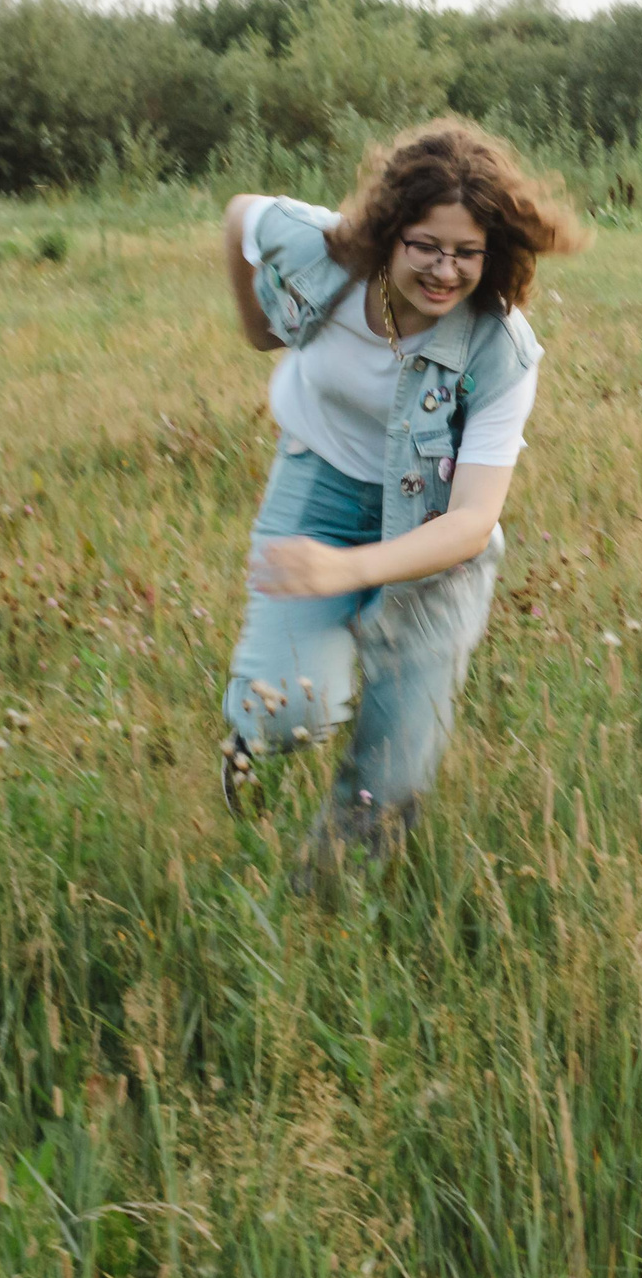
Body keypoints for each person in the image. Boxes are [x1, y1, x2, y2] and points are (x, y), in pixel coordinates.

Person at [217, 120, 585, 889]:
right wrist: (258, 328)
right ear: (388, 231)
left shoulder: (502, 347)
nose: (445, 270)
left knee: (390, 775)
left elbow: (472, 520)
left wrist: (349, 569)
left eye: (467, 251)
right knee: (291, 708)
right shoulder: (325, 254)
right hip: (316, 488)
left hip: (432, 536)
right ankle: (248, 745)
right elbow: (240, 215)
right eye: (425, 244)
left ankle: (319, 913)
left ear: (494, 253)